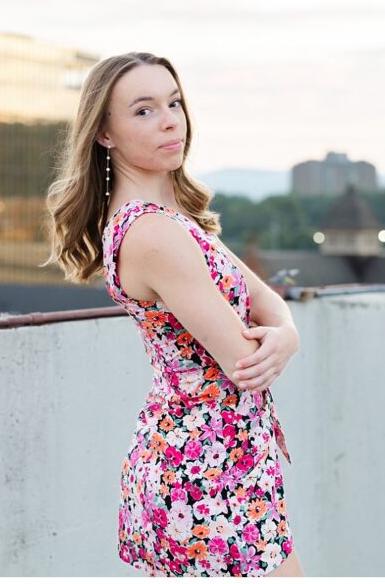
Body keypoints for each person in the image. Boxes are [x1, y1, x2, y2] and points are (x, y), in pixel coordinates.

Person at [43, 52, 305, 577]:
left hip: (221, 463)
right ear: (104, 134)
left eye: (174, 102)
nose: (170, 120)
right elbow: (242, 357)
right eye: (143, 110)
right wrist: (278, 341)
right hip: (205, 475)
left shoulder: (174, 220)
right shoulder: (153, 232)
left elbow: (269, 302)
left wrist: (289, 333)